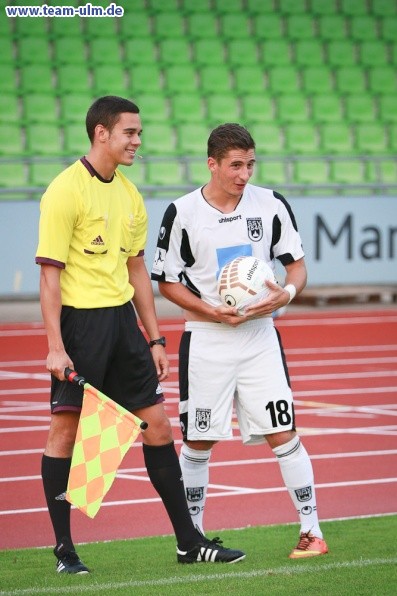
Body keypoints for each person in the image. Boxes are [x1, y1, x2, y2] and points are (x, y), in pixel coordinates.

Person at [35, 98, 245, 574]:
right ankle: (65, 549)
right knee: (65, 432)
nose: (137, 141)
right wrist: (54, 345)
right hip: (79, 325)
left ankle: (188, 542)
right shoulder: (65, 191)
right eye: (129, 133)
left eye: (139, 133)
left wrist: (154, 339)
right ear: (101, 134)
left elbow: (136, 272)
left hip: (122, 327)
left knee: (159, 426)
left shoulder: (130, 194)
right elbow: (50, 278)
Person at [151, 123, 328, 559]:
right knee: (198, 440)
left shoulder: (270, 204)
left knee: (283, 431)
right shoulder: (183, 212)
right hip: (207, 339)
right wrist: (212, 311)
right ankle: (192, 538)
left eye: (250, 164)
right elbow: (167, 283)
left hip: (259, 339)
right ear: (212, 163)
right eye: (235, 165)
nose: (244, 174)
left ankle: (312, 532)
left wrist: (284, 295)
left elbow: (297, 267)